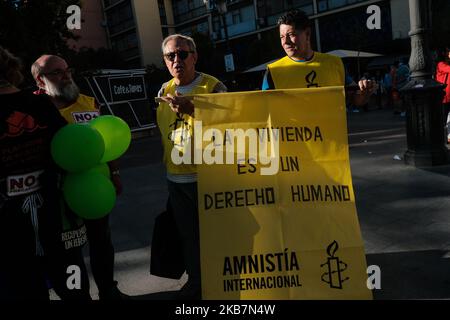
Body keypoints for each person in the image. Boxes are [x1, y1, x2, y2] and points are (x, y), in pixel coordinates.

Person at [31, 54, 127, 300]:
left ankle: (109, 289)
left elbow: (108, 140)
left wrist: (114, 172)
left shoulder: (89, 103)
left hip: (95, 189)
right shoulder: (33, 110)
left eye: (67, 69)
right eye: (57, 72)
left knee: (102, 242)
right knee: (71, 250)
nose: (66, 75)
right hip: (59, 193)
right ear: (40, 81)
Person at [157, 34, 227, 299]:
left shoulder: (213, 86)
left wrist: (194, 109)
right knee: (189, 237)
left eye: (183, 54)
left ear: (195, 57)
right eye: (170, 56)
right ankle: (196, 281)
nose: (177, 60)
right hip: (176, 179)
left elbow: (232, 122)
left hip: (210, 178)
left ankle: (223, 280)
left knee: (218, 235)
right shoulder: (163, 90)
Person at [0, 46, 72, 299]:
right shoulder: (40, 102)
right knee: (65, 278)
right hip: (49, 209)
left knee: (20, 286)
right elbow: (67, 145)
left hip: (8, 224)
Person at [262, 10, 376, 105]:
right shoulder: (273, 71)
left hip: (332, 131)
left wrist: (365, 91)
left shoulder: (334, 63)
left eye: (291, 35)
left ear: (307, 34)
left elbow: (355, 99)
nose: (285, 42)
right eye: (282, 37)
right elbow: (264, 111)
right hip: (294, 132)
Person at [435, 46, 450, 143]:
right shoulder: (441, 64)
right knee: (443, 119)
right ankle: (439, 137)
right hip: (444, 97)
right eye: (448, 52)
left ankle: (449, 137)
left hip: (448, 96)